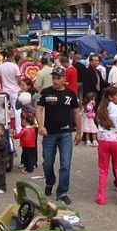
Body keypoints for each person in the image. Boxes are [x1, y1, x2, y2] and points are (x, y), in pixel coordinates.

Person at [36, 66, 82, 204]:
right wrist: (41, 126)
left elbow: (76, 112)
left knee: (65, 164)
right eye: (54, 78)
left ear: (64, 79)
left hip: (66, 133)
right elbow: (38, 109)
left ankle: (62, 192)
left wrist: (79, 132)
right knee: (48, 162)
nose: (56, 81)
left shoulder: (70, 94)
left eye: (58, 78)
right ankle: (50, 181)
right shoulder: (45, 92)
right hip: (49, 133)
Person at [94, 86, 117, 205]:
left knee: (103, 169)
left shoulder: (101, 108)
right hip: (116, 140)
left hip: (104, 140)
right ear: (110, 97)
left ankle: (101, 196)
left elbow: (97, 121)